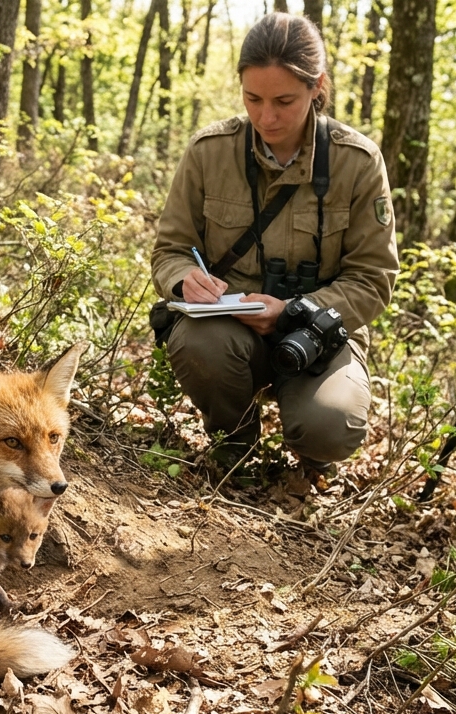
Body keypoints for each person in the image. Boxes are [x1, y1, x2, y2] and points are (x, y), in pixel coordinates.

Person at [151, 13, 398, 482]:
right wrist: (184, 279)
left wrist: (292, 310)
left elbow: (373, 279)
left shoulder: (357, 162)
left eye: (285, 101)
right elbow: (170, 249)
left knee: (331, 425)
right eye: (253, 99)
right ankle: (235, 449)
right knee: (196, 341)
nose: (267, 117)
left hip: (317, 333)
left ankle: (312, 453)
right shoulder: (209, 152)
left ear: (316, 87)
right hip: (229, 331)